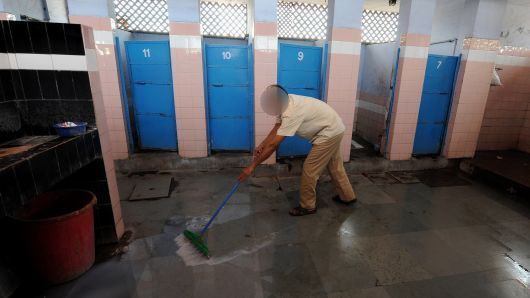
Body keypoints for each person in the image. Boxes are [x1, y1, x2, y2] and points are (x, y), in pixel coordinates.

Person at [238, 85, 356, 216]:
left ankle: (307, 206)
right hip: (335, 128)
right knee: (335, 165)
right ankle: (347, 196)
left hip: (328, 133)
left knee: (310, 170)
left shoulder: (291, 113)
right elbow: (277, 127)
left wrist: (252, 167)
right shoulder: (286, 103)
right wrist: (262, 144)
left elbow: (274, 145)